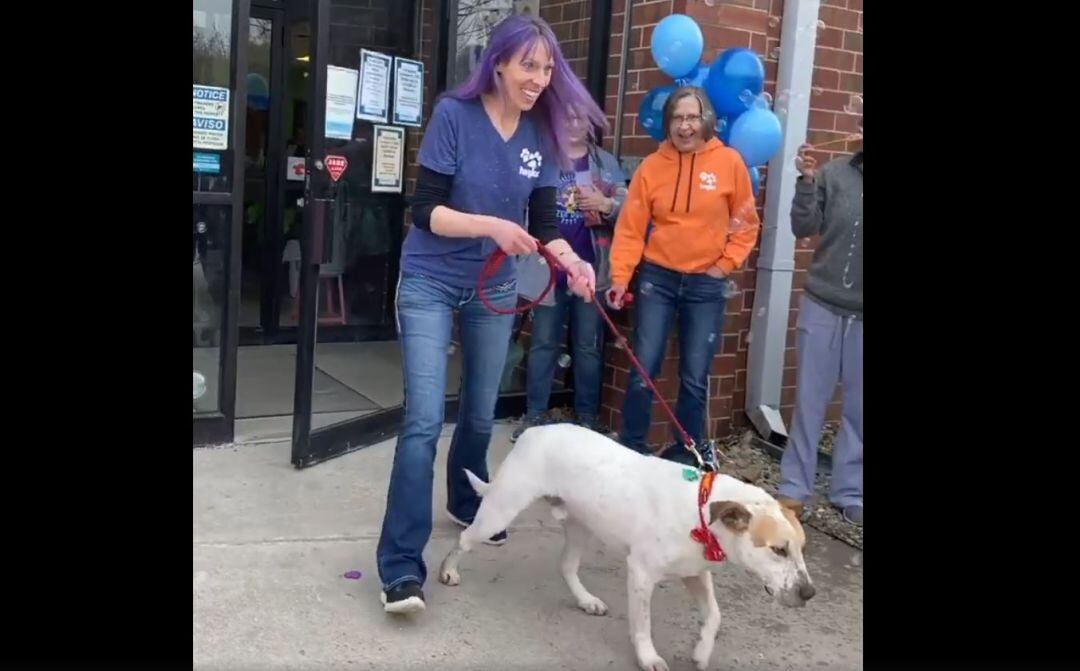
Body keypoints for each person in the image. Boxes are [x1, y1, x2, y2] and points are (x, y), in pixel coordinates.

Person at [376, 14, 606, 615]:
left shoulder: (541, 135)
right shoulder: (455, 115)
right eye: (528, 65)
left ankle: (465, 500)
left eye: (547, 67)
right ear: (499, 63)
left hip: (494, 289)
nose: (539, 77)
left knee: (479, 415)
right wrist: (494, 227)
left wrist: (572, 266)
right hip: (430, 278)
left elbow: (545, 227)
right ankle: (401, 568)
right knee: (424, 422)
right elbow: (425, 211)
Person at [606, 86, 760, 463]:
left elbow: (745, 224)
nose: (685, 126)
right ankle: (632, 449)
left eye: (692, 117)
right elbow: (630, 228)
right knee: (644, 368)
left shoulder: (730, 163)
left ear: (705, 119)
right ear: (668, 122)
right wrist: (620, 277)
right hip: (657, 279)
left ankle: (684, 453)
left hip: (706, 285)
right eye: (677, 117)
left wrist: (723, 266)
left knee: (694, 376)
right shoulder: (652, 167)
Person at [512, 110, 627, 441]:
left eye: (581, 118)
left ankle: (587, 418)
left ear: (590, 123)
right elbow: (522, 203)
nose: (573, 123)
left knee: (587, 346)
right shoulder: (543, 158)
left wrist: (605, 203)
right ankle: (534, 417)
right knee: (544, 343)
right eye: (567, 117)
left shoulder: (604, 162)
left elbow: (626, 207)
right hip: (546, 267)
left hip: (588, 270)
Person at [777, 130, 863, 527]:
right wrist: (807, 182)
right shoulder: (833, 174)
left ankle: (849, 491)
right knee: (810, 402)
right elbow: (802, 226)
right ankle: (794, 487)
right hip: (822, 305)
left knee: (859, 412)